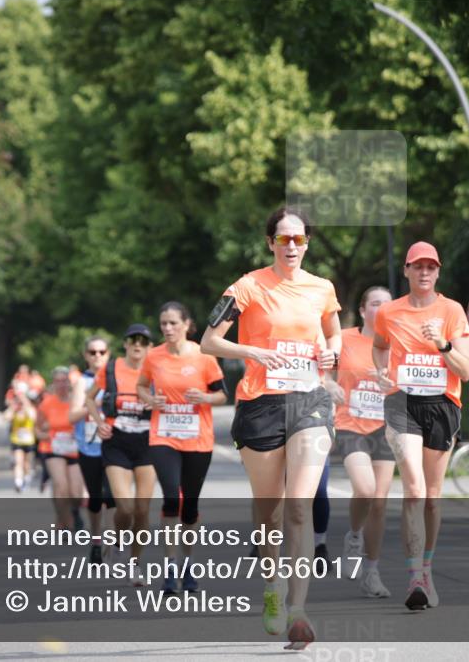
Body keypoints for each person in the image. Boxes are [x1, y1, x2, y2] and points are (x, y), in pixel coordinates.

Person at [200, 206, 340, 650]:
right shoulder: (247, 285)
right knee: (271, 512)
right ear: (270, 243)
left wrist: (331, 354)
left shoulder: (322, 288)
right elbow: (208, 341)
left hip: (309, 402)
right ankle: (272, 587)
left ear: (308, 242)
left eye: (299, 239)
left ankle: (299, 611)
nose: (292, 246)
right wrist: (253, 353)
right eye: (284, 239)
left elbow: (333, 334)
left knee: (299, 506)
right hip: (260, 403)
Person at [372, 242, 469, 611]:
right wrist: (382, 372)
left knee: (432, 496)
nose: (425, 272)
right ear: (407, 271)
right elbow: (380, 346)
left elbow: (466, 371)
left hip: (443, 405)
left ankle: (427, 569)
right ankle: (414, 577)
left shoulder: (452, 311)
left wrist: (442, 343)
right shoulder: (389, 311)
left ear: (438, 272)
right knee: (413, 488)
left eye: (431, 267)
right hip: (402, 403)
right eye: (418, 267)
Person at [138, 302, 226, 594]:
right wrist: (150, 401)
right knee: (171, 498)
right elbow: (140, 387)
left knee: (189, 507)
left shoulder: (204, 356)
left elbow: (222, 396)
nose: (167, 329)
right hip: (163, 437)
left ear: (187, 324)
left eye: (173, 323)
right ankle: (170, 566)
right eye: (163, 324)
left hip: (198, 439)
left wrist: (203, 397)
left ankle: (187, 564)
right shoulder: (153, 357)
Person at [324, 285, 396, 598]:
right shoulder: (345, 338)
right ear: (364, 309)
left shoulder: (398, 345)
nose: (382, 309)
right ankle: (354, 536)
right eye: (376, 304)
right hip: (350, 424)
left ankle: (371, 572)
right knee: (365, 489)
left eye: (387, 305)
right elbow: (321, 370)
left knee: (379, 502)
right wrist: (329, 385)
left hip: (385, 427)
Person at [85, 324, 156, 584]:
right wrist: (98, 421)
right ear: (125, 344)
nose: (138, 345)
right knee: (124, 507)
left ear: (149, 347)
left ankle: (135, 565)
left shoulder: (157, 370)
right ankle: (116, 541)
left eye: (143, 341)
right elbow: (90, 398)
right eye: (133, 340)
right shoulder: (111, 368)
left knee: (142, 509)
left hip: (148, 441)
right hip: (117, 441)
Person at [71, 335, 116, 564]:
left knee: (112, 496)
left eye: (101, 352)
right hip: (89, 448)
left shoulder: (116, 377)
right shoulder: (82, 381)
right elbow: (73, 415)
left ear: (108, 354)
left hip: (115, 447)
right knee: (96, 499)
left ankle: (110, 544)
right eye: (92, 352)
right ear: (85, 356)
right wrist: (94, 402)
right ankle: (96, 540)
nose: (97, 356)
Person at [36, 367, 85, 530]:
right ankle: (66, 523)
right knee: (61, 485)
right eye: (58, 381)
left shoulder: (77, 402)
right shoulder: (46, 403)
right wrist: (46, 435)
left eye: (64, 381)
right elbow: (37, 429)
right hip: (53, 448)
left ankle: (73, 511)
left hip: (75, 449)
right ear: (53, 383)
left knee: (76, 493)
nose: (61, 384)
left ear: (70, 383)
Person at [5, 382, 37, 492]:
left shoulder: (30, 409)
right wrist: (13, 406)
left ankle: (27, 477)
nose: (20, 403)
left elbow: (33, 417)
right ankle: (18, 482)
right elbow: (6, 417)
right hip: (17, 440)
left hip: (29, 441)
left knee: (27, 464)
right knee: (18, 462)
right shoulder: (15, 409)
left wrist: (24, 400)